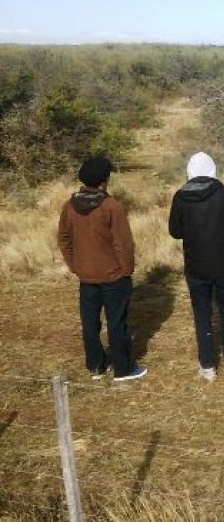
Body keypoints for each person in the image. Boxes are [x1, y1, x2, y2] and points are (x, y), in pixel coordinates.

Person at [57, 156, 146, 382]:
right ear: (104, 181)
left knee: (89, 323)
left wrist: (75, 265)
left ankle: (96, 366)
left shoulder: (69, 206)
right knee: (117, 323)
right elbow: (122, 243)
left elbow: (64, 239)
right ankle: (123, 369)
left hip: (86, 276)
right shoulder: (112, 207)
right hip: (114, 276)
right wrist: (127, 270)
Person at [169, 152, 224, 381]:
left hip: (195, 264)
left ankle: (207, 366)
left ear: (190, 171)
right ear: (213, 170)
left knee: (202, 313)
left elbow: (175, 231)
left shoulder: (180, 197)